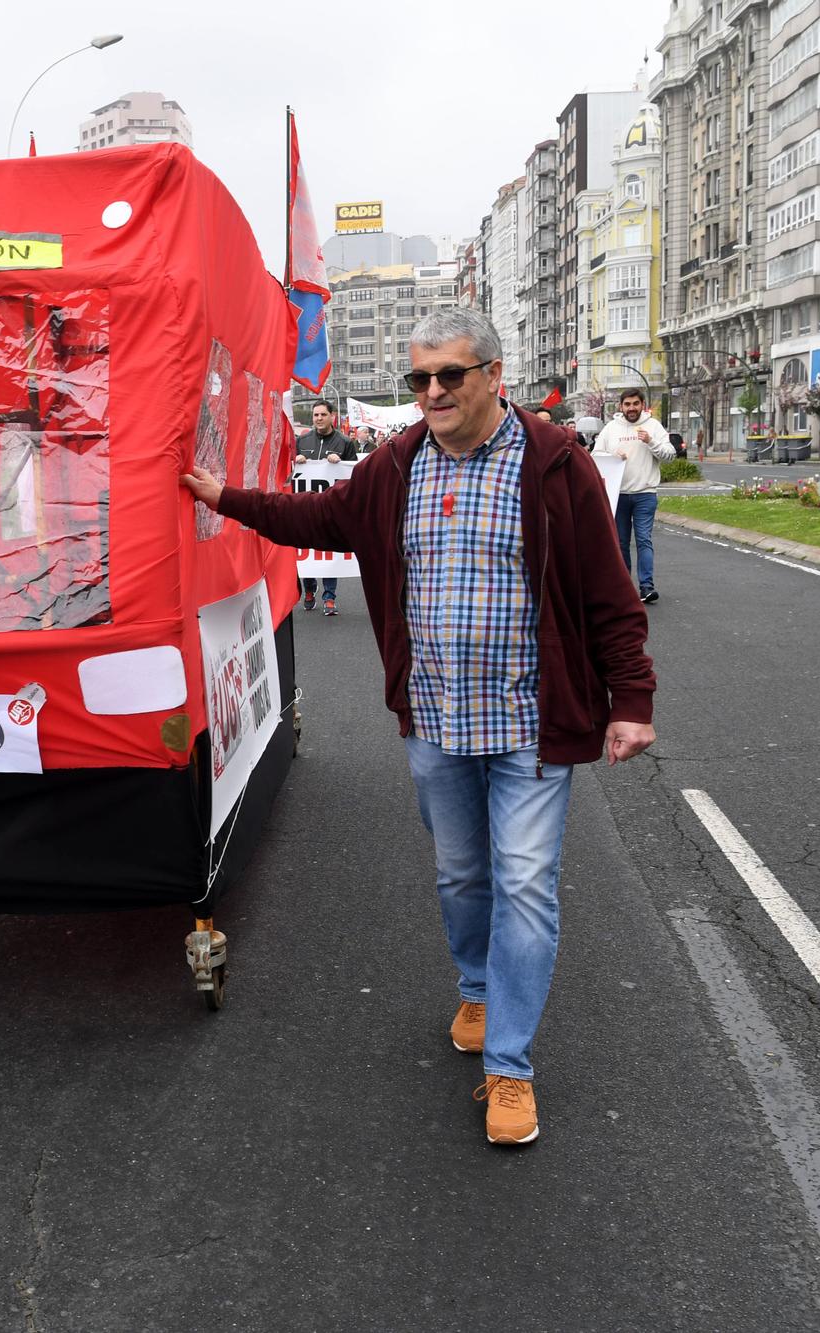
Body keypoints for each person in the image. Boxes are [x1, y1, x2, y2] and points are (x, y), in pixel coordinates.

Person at [181, 309, 656, 1145]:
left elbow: (610, 598)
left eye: (450, 376)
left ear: (494, 376)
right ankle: (477, 987)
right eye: (419, 379)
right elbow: (313, 522)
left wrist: (632, 701)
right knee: (461, 879)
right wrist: (227, 499)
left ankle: (509, 1067)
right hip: (434, 721)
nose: (431, 393)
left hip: (531, 727)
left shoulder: (555, 466)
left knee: (526, 887)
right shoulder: (394, 468)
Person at [592, 388, 669, 604]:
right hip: (619, 495)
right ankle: (624, 587)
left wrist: (651, 442)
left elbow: (670, 454)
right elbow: (595, 456)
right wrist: (612, 455)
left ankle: (647, 586)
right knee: (621, 542)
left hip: (645, 493)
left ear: (642, 405)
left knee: (644, 540)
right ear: (621, 406)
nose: (631, 408)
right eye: (627, 404)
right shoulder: (611, 428)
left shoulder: (653, 426)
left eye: (635, 404)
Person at [293, 403, 360, 615]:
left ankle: (330, 597)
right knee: (308, 553)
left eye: (323, 414)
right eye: (315, 415)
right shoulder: (301, 441)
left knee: (330, 553)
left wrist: (340, 462)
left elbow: (353, 473)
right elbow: (288, 470)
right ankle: (310, 589)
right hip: (305, 509)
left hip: (331, 510)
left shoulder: (345, 442)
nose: (319, 418)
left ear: (332, 416)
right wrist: (296, 461)